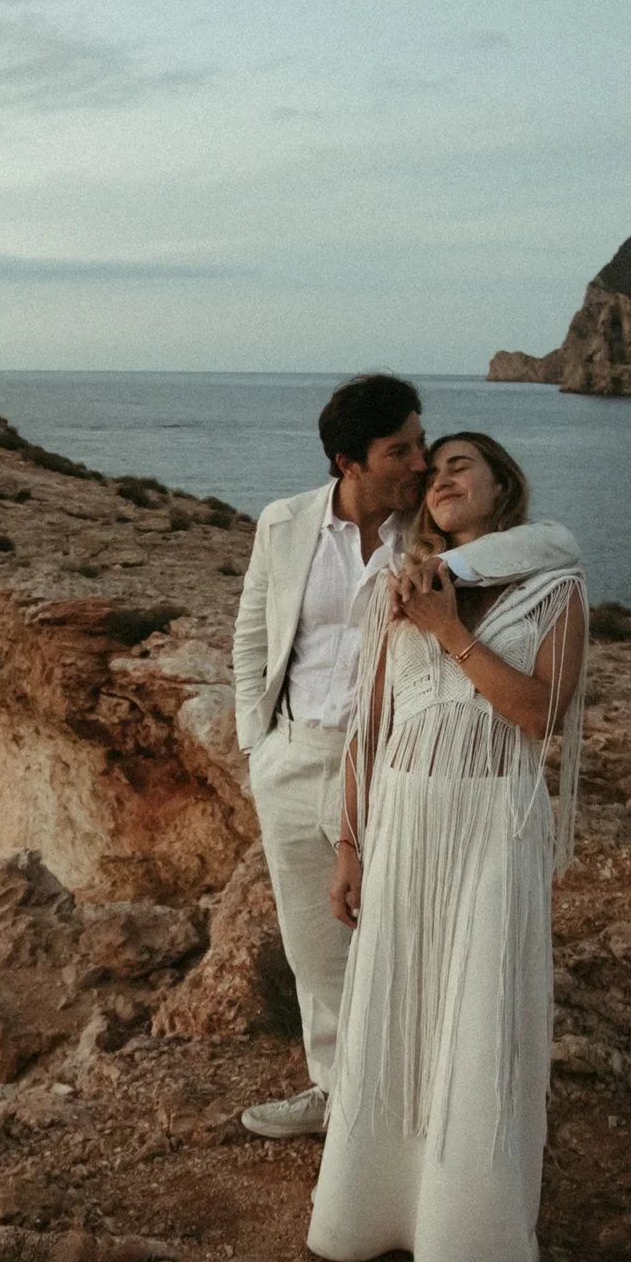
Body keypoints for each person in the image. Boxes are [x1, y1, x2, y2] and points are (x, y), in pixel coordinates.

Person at [305, 431, 587, 1262]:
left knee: (478, 1013)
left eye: (463, 463)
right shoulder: (401, 587)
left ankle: (468, 1241)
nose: (442, 478)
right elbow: (371, 726)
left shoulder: (557, 587)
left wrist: (449, 631)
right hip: (404, 827)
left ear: (505, 484)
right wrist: (350, 847)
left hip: (492, 825)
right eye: (433, 474)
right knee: (398, 1001)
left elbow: (541, 713)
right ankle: (375, 1211)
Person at [232, 374, 430, 1139]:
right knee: (314, 948)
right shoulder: (284, 524)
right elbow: (252, 636)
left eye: (418, 441)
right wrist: (260, 746)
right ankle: (335, 1096)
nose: (419, 461)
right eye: (399, 450)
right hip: (292, 758)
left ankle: (406, 1108)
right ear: (350, 461)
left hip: (390, 765)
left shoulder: (433, 534)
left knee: (398, 937)